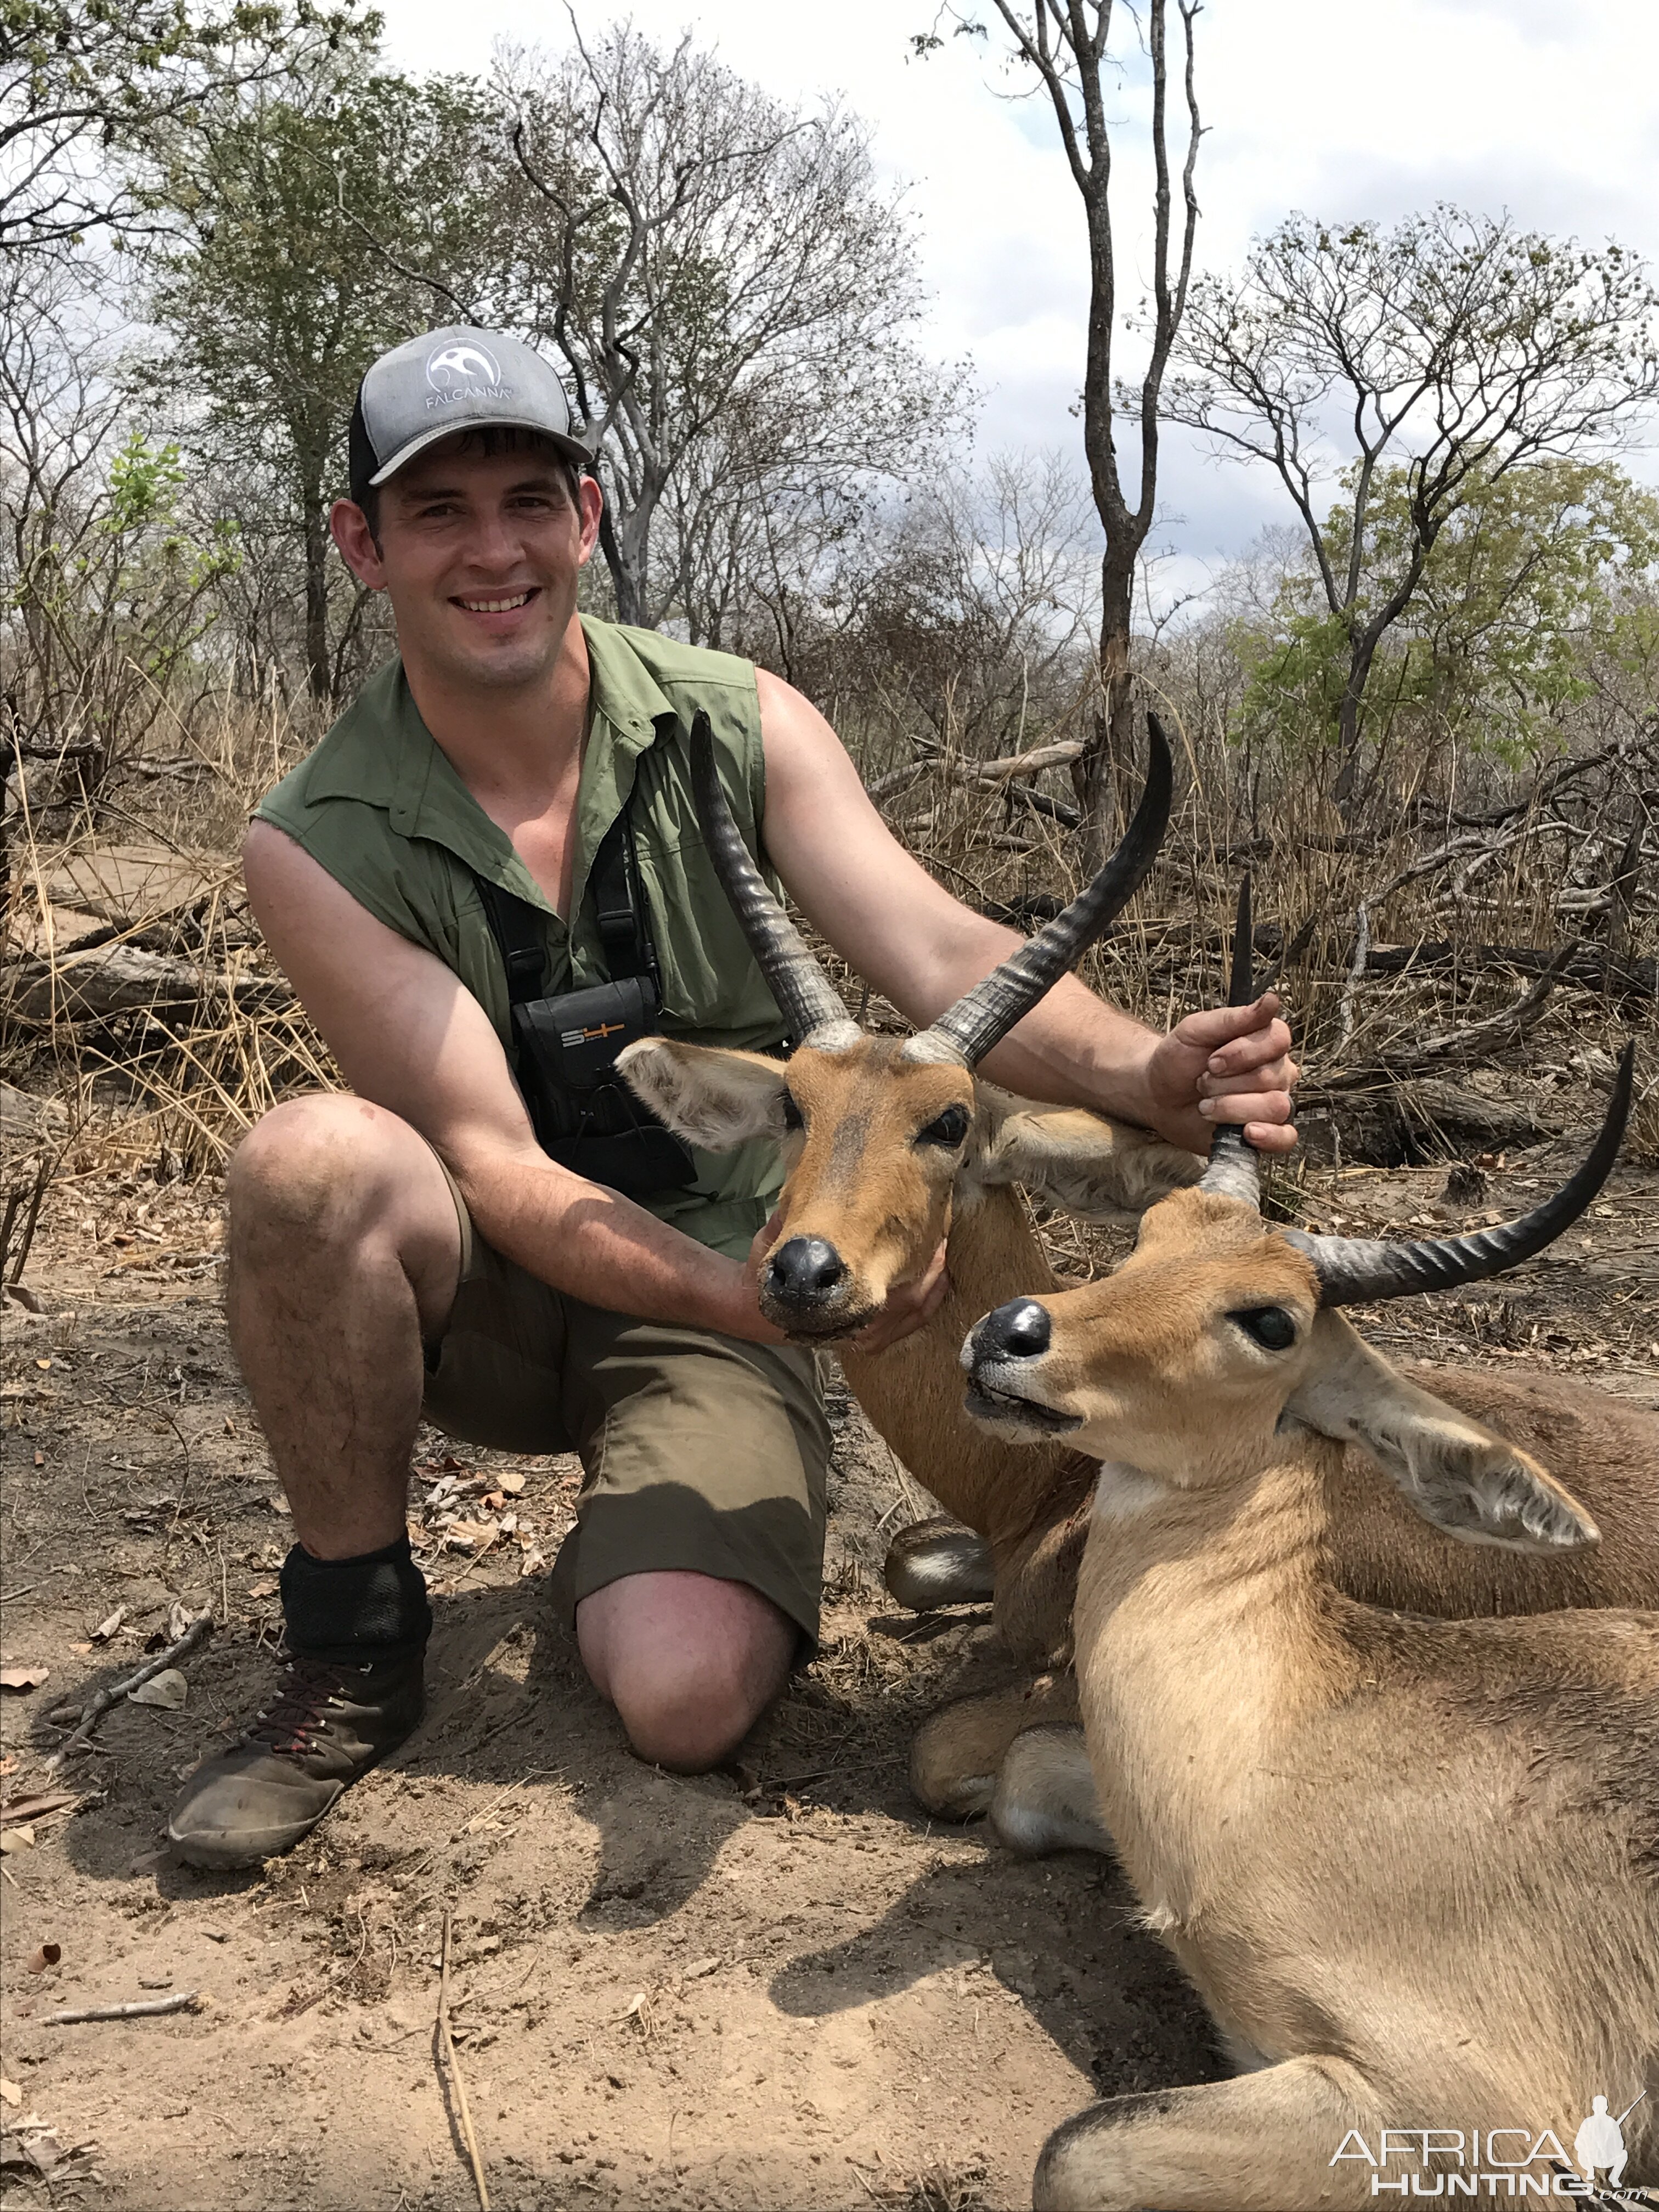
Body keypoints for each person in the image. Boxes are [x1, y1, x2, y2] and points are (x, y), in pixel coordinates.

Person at [166, 326, 1300, 1870]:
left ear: (591, 513)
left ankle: (658, 1544)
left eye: (526, 499)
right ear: (362, 543)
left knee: (686, 1699)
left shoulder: (739, 717)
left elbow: (941, 950)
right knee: (310, 1163)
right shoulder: (311, 837)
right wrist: (754, 1296)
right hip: (511, 1287)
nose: (492, 549)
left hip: (733, 1289)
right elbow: (491, 1157)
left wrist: (1151, 1071)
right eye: (438, 511)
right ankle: (354, 1641)